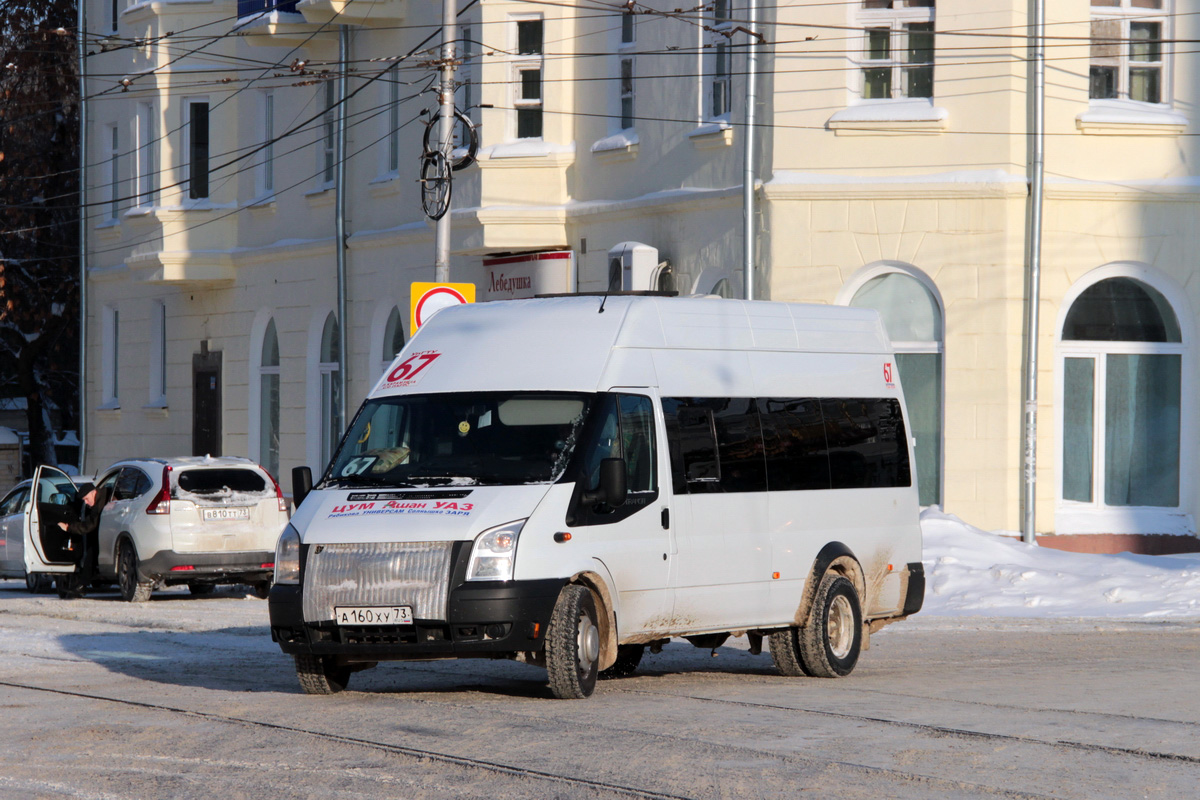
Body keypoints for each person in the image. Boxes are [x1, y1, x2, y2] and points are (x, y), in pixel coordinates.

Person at [55, 487, 106, 598]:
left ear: (94, 492)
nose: (86, 503)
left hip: (108, 534)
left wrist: (69, 528)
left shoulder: (99, 504)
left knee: (91, 550)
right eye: (84, 500)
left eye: (87, 499)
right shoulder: (100, 497)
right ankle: (82, 584)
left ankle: (81, 585)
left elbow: (89, 525)